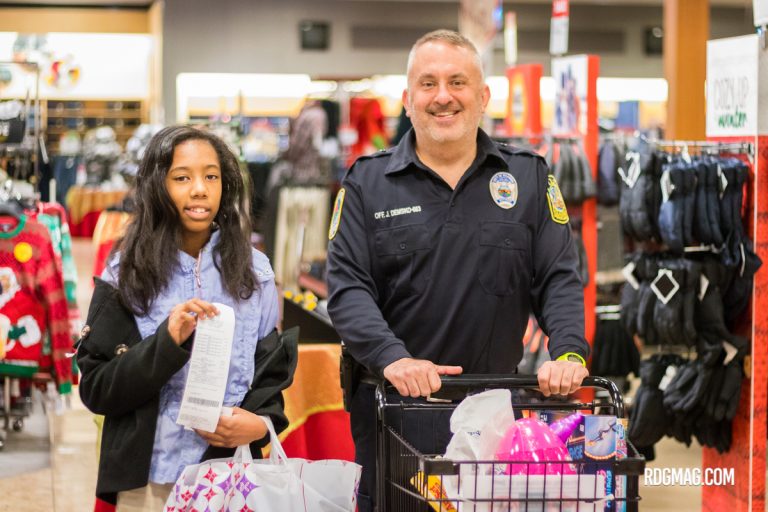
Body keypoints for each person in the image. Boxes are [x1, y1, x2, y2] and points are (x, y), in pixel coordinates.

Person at [326, 29, 590, 511]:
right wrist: (393, 358)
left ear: (483, 96)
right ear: (408, 100)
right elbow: (346, 290)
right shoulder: (367, 182)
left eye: (457, 82)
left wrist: (569, 352)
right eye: (427, 84)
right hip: (393, 412)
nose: (443, 96)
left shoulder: (527, 176)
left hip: (494, 410)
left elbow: (558, 276)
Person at [77, 125, 294, 511]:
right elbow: (97, 389)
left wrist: (260, 425)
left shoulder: (255, 273)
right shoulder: (125, 273)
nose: (199, 189)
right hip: (145, 486)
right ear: (157, 186)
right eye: (182, 178)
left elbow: (270, 377)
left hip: (229, 480)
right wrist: (167, 342)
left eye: (211, 176)